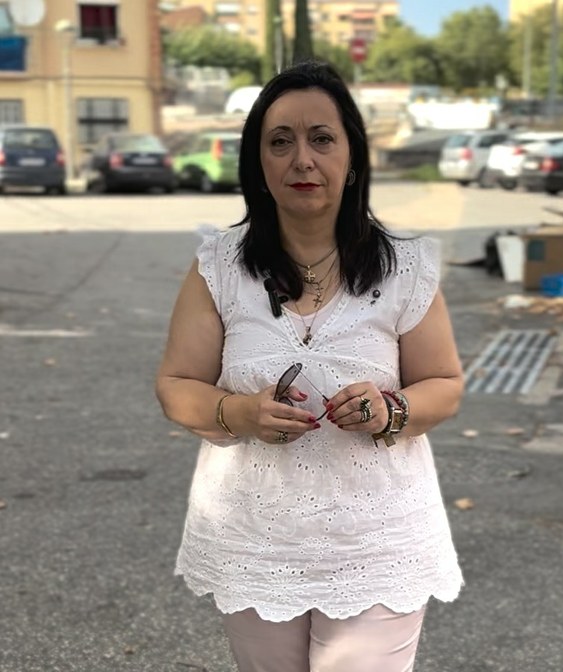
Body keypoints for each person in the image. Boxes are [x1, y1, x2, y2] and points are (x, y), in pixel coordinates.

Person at [155, 60, 464, 672]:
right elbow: (176, 384)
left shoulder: (404, 268)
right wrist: (239, 412)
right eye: (280, 142)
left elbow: (445, 385)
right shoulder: (220, 266)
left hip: (377, 545)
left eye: (322, 138)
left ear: (352, 158)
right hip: (254, 542)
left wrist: (389, 409)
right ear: (258, 164)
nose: (302, 159)